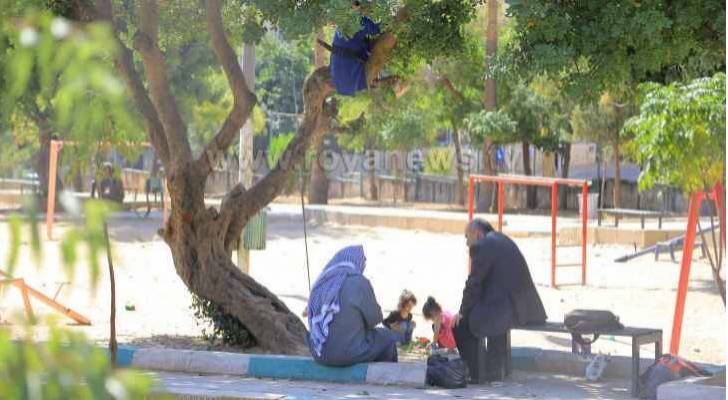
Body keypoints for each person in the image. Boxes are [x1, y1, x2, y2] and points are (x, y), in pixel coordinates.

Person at [452, 219, 547, 383]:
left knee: (460, 325)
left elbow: (474, 283)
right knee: (486, 316)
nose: (467, 243)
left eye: (467, 237)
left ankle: (478, 374)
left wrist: (462, 312)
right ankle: (493, 369)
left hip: (507, 309)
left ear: (477, 233)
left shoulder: (482, 246)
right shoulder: (501, 239)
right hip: (522, 308)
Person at [307, 245, 398, 366]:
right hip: (349, 354)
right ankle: (385, 377)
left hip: (319, 354)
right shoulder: (359, 281)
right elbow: (375, 319)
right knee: (388, 338)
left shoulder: (321, 283)